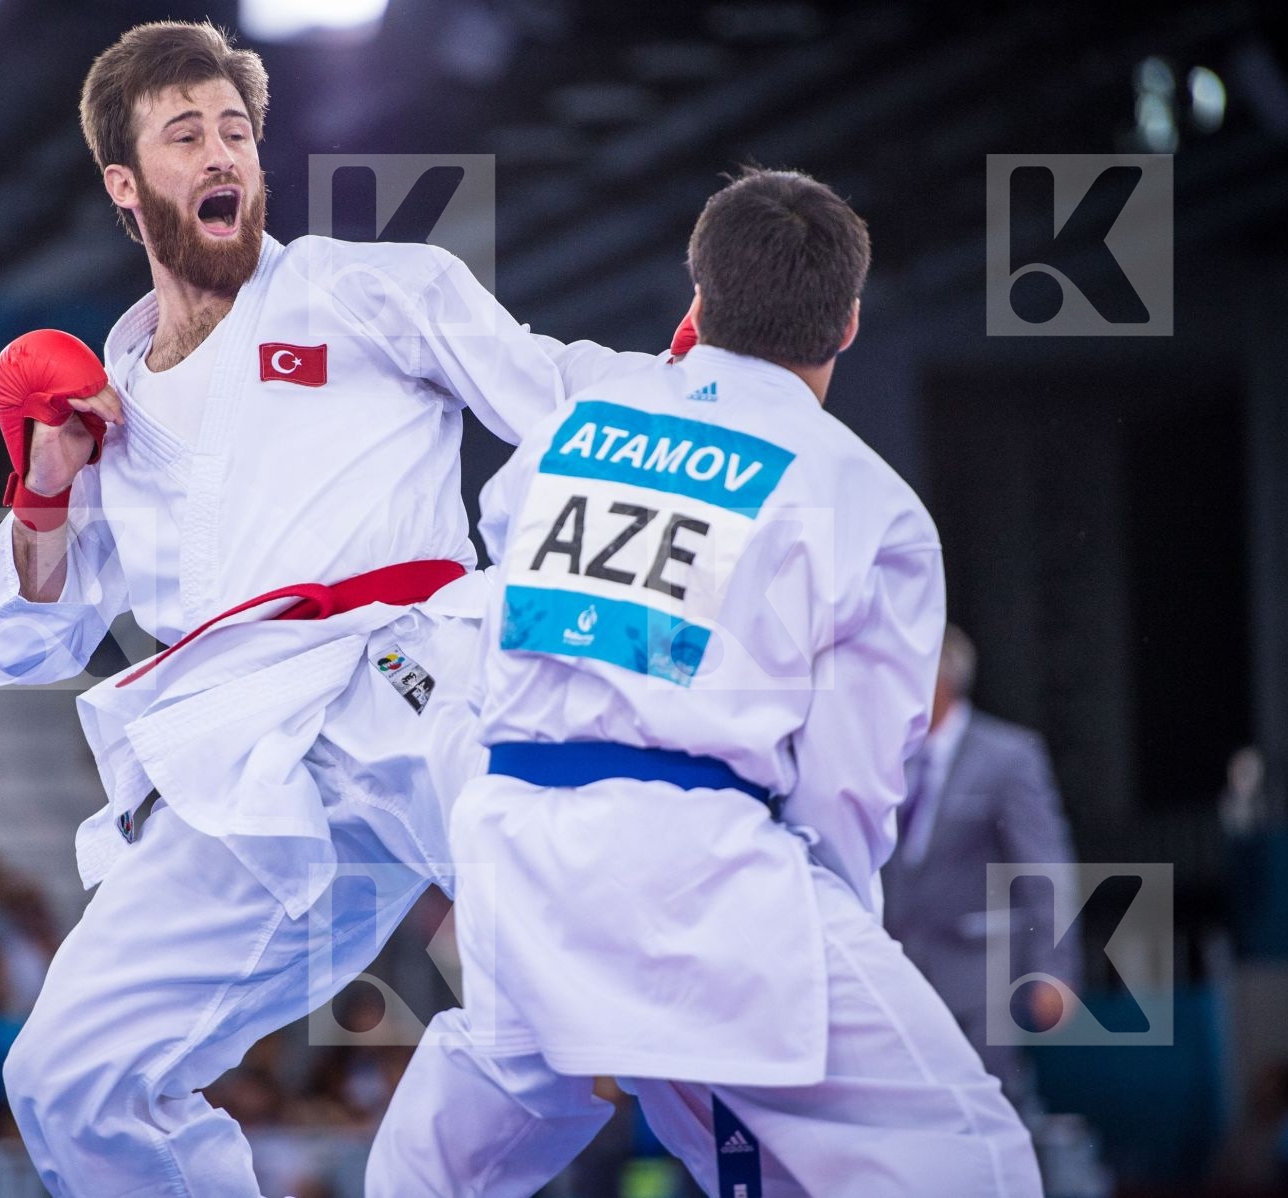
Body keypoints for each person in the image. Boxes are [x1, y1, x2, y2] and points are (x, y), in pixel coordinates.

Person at [0, 20, 584, 1196]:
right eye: (185, 135)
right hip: (238, 763)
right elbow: (25, 638)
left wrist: (708, 393)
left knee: (590, 937)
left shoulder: (370, 288)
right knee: (65, 1076)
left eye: (236, 132)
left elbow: (557, 392)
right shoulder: (107, 406)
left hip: (407, 673)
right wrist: (44, 488)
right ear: (125, 185)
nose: (221, 155)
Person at [366, 168, 1044, 1197]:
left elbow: (506, 577)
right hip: (702, 872)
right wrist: (825, 931)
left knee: (462, 1146)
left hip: (513, 838)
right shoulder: (867, 499)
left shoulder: (573, 428)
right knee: (968, 1157)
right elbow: (848, 787)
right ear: (849, 323)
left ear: (698, 298)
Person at [881, 624, 1081, 1109]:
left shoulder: (1006, 756)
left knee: (988, 1105)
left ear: (940, 679)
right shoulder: (883, 758)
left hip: (980, 976)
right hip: (899, 974)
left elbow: (1045, 868)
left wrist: (1054, 969)